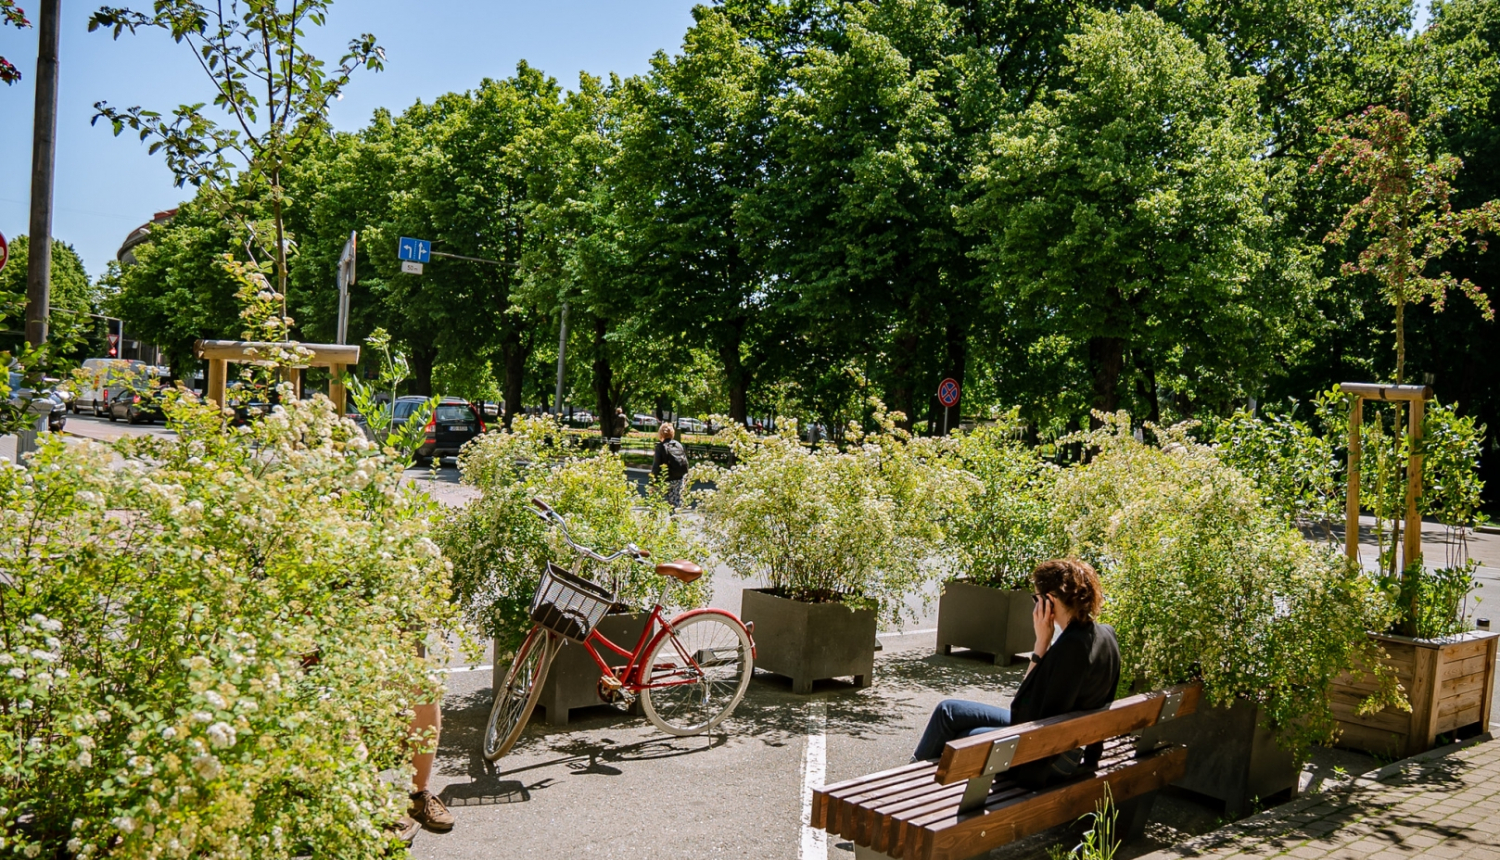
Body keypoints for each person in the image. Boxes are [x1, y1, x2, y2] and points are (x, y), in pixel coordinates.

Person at [911, 558, 1119, 787]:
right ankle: (909, 775)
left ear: (1049, 600)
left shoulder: (1070, 650)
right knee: (947, 710)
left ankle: (908, 786)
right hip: (1059, 741)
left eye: (1036, 598)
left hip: (1046, 758)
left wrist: (1041, 644)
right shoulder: (1105, 635)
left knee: (963, 738)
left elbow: (1023, 711)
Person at [651, 423, 691, 508]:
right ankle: (675, 520)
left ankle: (653, 520)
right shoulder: (679, 445)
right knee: (675, 505)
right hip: (678, 479)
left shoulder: (660, 447)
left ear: (661, 434)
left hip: (665, 479)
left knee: (656, 504)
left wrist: (653, 483)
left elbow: (656, 466)